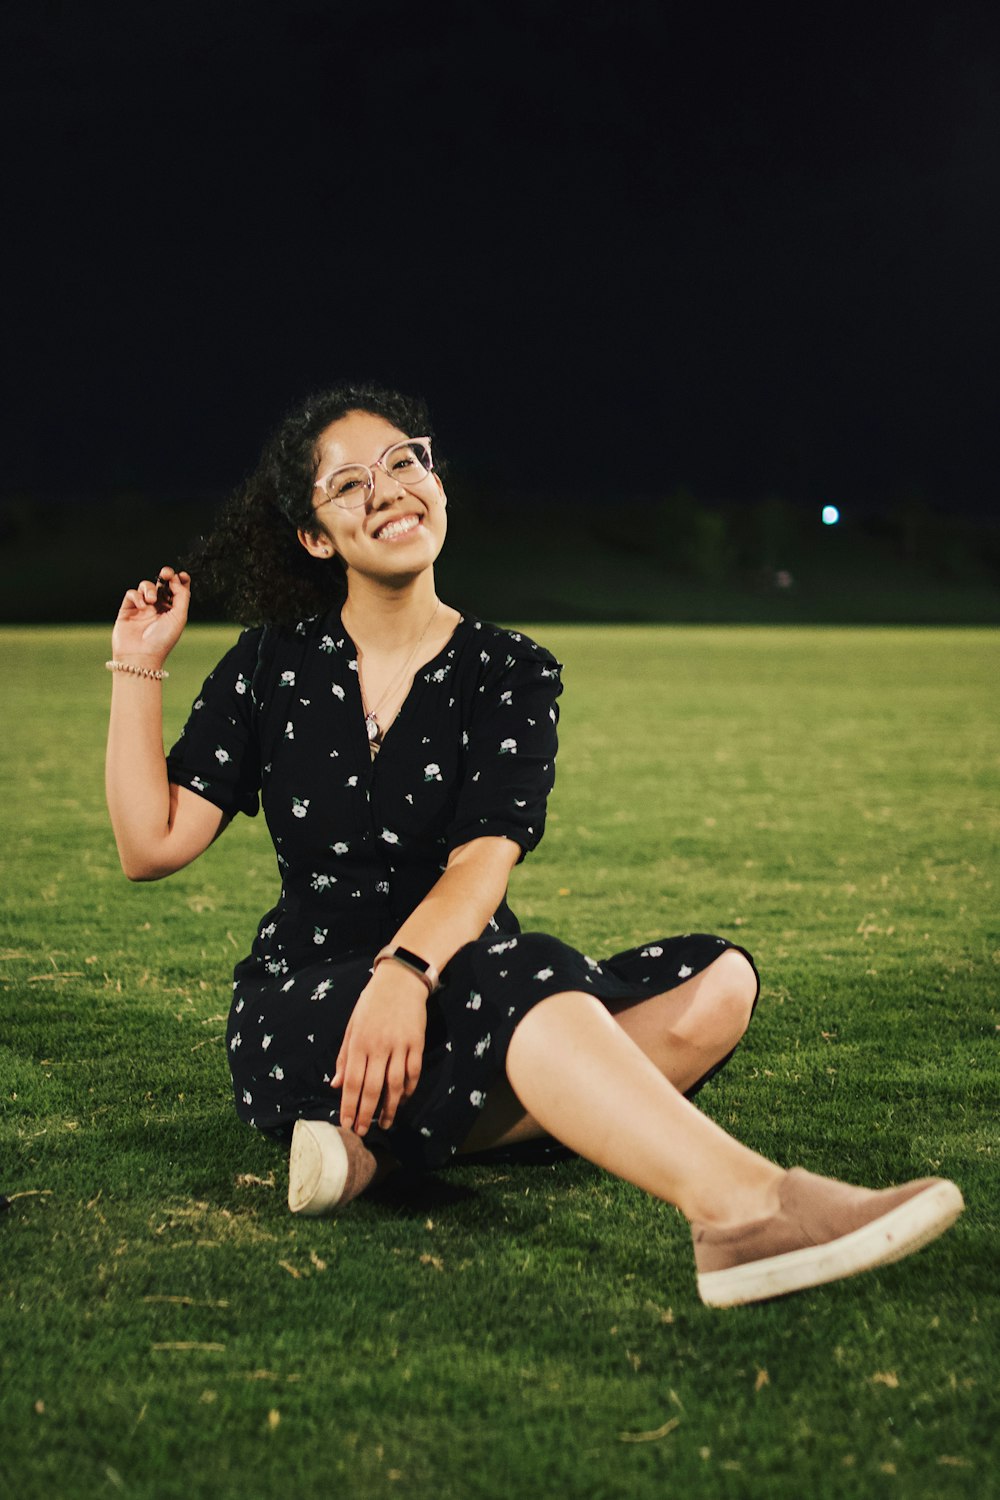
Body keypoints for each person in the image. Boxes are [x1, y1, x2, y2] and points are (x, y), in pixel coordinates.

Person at [105, 384, 963, 1308]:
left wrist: (407, 972)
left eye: (404, 462)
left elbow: (484, 859)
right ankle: (745, 1210)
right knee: (530, 982)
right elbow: (150, 844)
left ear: (436, 479)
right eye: (348, 484)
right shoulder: (271, 663)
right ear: (315, 537)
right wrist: (139, 662)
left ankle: (372, 1151)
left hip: (459, 976)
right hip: (307, 1007)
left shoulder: (509, 669)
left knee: (718, 984)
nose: (388, 491)